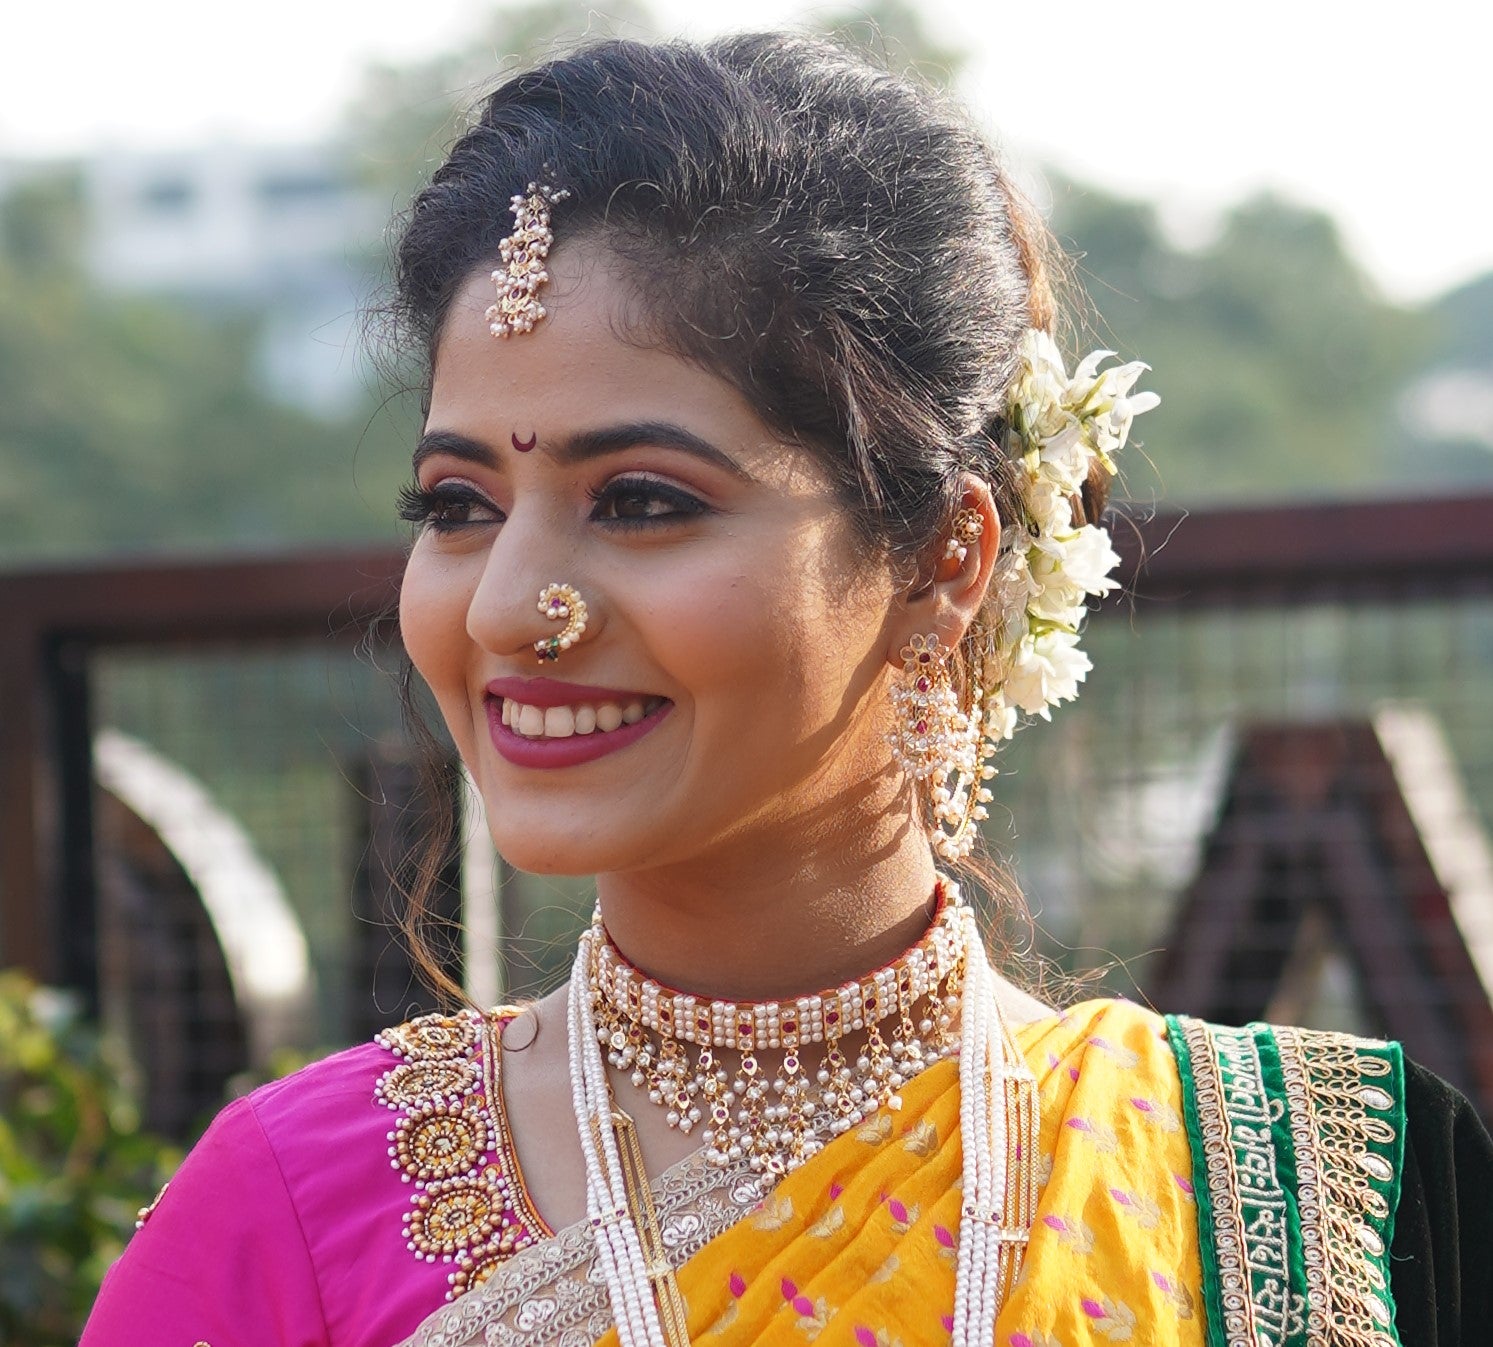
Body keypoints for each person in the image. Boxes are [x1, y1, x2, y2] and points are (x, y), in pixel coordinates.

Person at [81, 31, 1492, 1347]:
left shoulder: (1339, 1199)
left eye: (638, 500)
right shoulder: (288, 1210)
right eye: (456, 504)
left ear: (943, 561)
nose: (510, 604)